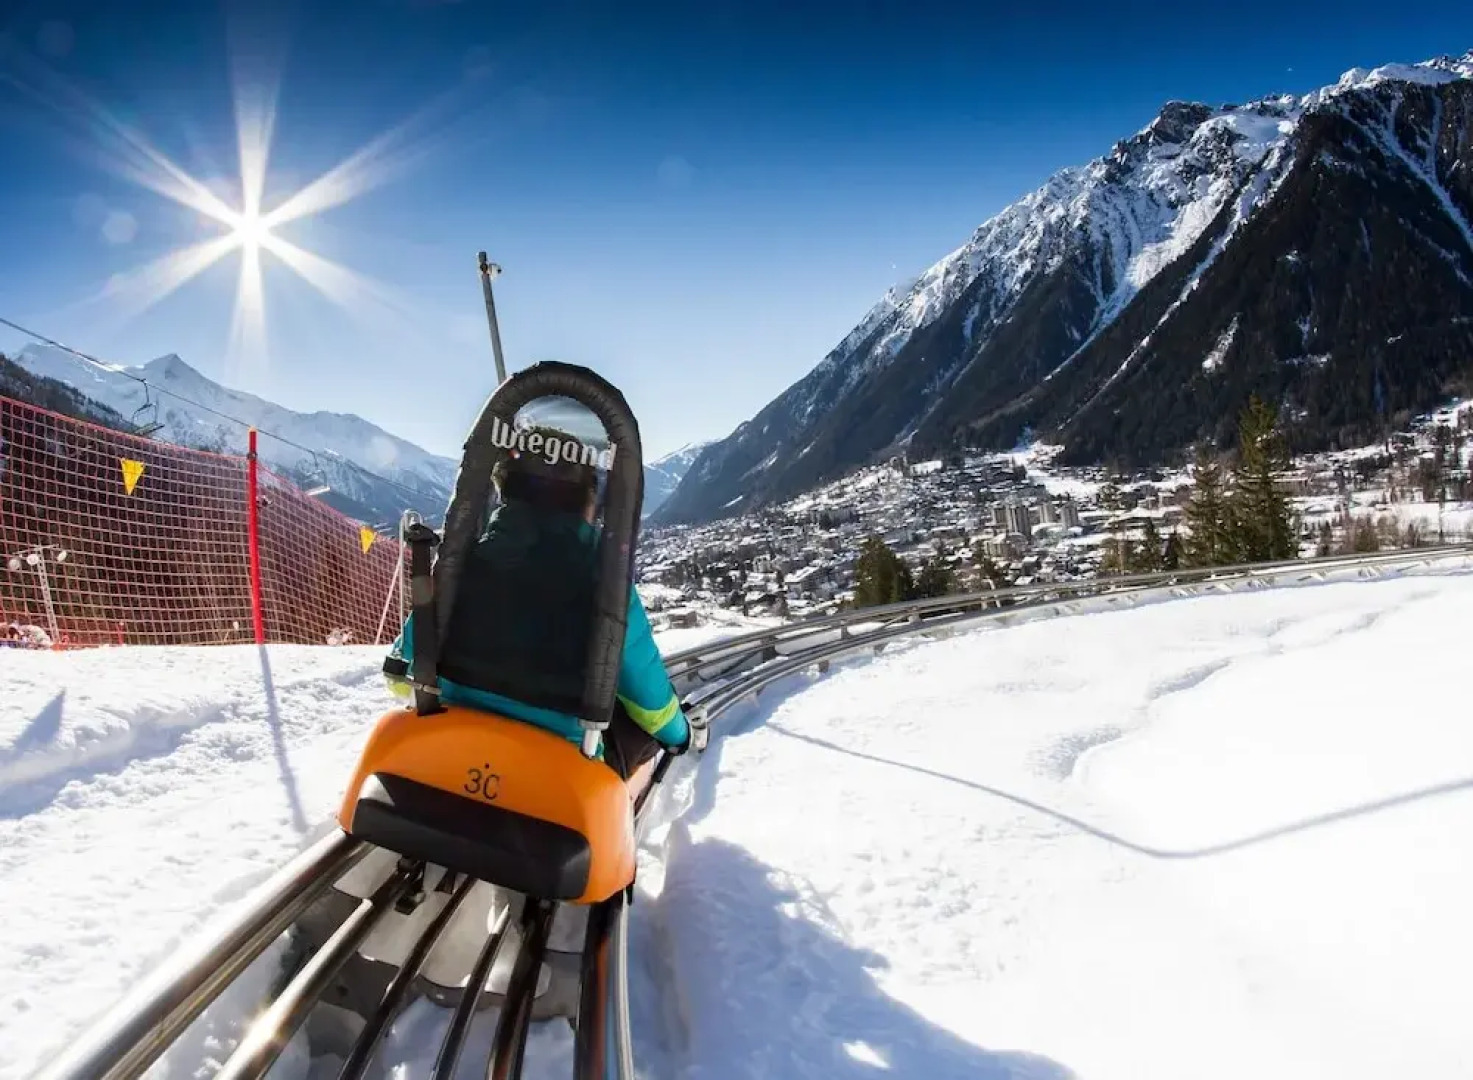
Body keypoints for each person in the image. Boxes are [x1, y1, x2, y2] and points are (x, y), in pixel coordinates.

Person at [387, 428, 704, 780]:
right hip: (559, 766)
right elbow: (651, 705)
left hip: (453, 742)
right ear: (590, 499)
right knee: (633, 722)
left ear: (502, 491)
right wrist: (680, 736)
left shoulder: (464, 562)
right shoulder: (606, 582)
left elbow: (400, 677)